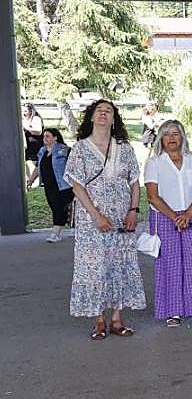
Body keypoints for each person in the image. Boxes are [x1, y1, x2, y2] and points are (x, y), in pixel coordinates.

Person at [64, 100, 145, 339]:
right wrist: (96, 216)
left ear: (113, 119)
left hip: (122, 217)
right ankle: (98, 319)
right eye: (98, 110)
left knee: (120, 263)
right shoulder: (80, 148)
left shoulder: (125, 148)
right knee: (95, 266)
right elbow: (77, 186)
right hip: (92, 219)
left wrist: (133, 210)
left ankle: (117, 318)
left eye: (108, 111)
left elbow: (134, 181)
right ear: (91, 117)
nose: (103, 114)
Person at [145, 120, 192, 327]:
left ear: (182, 137)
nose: (171, 138)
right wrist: (174, 217)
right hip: (164, 216)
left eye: (176, 133)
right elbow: (152, 196)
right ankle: (173, 311)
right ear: (161, 138)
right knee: (170, 264)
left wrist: (188, 214)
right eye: (167, 134)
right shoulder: (154, 162)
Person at [27, 128, 74, 242]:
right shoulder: (42, 150)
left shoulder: (64, 150)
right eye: (44, 136)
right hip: (49, 185)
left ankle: (55, 233)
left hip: (63, 185)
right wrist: (31, 180)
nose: (45, 138)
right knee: (55, 207)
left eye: (47, 136)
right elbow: (38, 167)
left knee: (59, 207)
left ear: (55, 137)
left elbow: (73, 167)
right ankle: (71, 227)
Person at [22, 102, 43, 186]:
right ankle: (28, 181)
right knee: (26, 162)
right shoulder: (23, 119)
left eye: (25, 111)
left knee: (36, 163)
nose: (24, 113)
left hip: (36, 145)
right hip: (27, 145)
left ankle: (36, 182)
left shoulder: (36, 119)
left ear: (31, 111)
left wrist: (26, 128)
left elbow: (39, 131)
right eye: (23, 111)